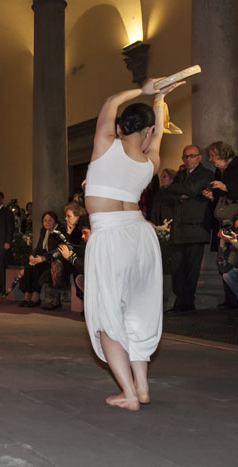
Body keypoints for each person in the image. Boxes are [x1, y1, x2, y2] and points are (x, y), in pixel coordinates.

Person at [84, 77, 183, 410]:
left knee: (107, 318)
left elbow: (111, 98)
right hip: (141, 237)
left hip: (110, 237)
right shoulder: (149, 164)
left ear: (119, 128)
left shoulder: (104, 146)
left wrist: (146, 88)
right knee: (139, 313)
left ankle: (128, 393)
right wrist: (160, 100)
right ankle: (141, 387)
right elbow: (154, 139)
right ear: (149, 132)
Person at [163, 145, 213, 315]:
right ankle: (180, 303)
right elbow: (167, 194)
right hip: (179, 230)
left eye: (192, 156)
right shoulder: (181, 175)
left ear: (199, 157)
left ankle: (186, 304)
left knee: (191, 270)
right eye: (185, 156)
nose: (188, 159)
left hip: (195, 229)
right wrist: (180, 194)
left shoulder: (205, 174)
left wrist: (178, 190)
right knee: (177, 269)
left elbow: (191, 189)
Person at [202, 141, 238, 310]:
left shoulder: (236, 166)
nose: (211, 160)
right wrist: (212, 196)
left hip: (235, 220)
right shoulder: (218, 171)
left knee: (234, 259)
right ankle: (230, 299)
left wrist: (225, 186)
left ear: (223, 153)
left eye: (213, 156)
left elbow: (233, 190)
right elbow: (220, 198)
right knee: (222, 259)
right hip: (223, 221)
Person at [41, 202, 85, 310]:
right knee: (55, 263)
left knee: (73, 270)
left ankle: (86, 305)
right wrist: (68, 233)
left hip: (80, 259)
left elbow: (79, 249)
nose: (66, 218)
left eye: (69, 216)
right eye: (66, 216)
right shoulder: (66, 229)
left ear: (77, 216)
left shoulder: (84, 229)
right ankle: (56, 299)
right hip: (67, 259)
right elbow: (61, 246)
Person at [18, 211, 61, 307]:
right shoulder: (43, 230)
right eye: (45, 220)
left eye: (50, 220)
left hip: (53, 259)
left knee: (38, 267)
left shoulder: (59, 231)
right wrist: (32, 256)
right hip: (42, 257)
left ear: (55, 221)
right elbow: (38, 247)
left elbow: (58, 250)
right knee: (29, 266)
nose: (47, 222)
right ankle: (27, 294)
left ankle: (35, 296)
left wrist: (44, 258)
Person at [149, 168, 177, 232]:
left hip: (170, 226)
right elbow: (155, 209)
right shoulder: (160, 192)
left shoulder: (175, 192)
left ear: (172, 178)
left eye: (164, 177)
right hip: (158, 225)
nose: (161, 178)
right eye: (161, 176)